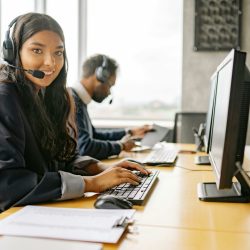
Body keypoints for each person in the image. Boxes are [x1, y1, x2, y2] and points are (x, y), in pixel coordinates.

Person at [0, 13, 150, 213]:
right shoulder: (5, 98)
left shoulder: (46, 96)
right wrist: (91, 183)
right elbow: (8, 185)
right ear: (13, 53)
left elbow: (60, 159)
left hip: (37, 212)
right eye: (37, 50)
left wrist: (100, 169)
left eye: (58, 53)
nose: (50, 63)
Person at [69, 54, 152, 160]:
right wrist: (121, 146)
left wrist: (130, 132)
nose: (109, 93)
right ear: (99, 75)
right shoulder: (72, 101)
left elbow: (94, 135)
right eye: (110, 85)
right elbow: (85, 147)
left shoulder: (80, 100)